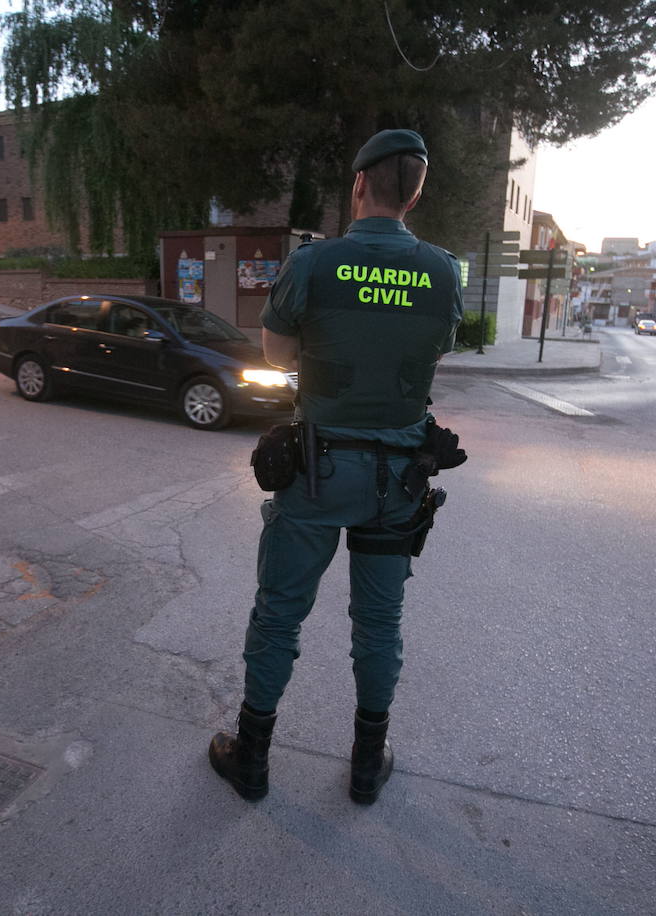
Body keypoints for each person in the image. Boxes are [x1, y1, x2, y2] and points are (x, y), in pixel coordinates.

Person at [208, 129, 465, 805]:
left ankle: (253, 760)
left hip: (318, 473)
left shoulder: (317, 264)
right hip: (399, 478)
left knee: (279, 615)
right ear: (416, 192)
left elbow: (273, 354)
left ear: (358, 185)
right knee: (379, 626)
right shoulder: (443, 271)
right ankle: (364, 765)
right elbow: (429, 358)